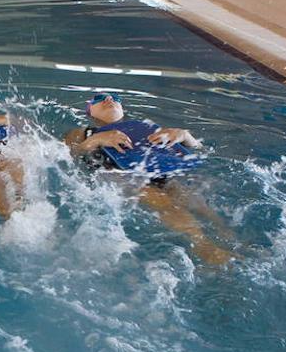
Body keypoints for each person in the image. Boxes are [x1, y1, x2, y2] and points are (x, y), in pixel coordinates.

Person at [64, 92, 234, 265]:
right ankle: (204, 246)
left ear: (123, 109)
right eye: (99, 98)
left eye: (115, 98)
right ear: (89, 112)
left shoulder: (145, 129)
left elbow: (199, 149)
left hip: (158, 171)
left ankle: (228, 236)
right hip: (118, 175)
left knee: (193, 200)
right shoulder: (82, 132)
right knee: (163, 202)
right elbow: (69, 153)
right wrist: (97, 139)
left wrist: (184, 136)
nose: (110, 99)